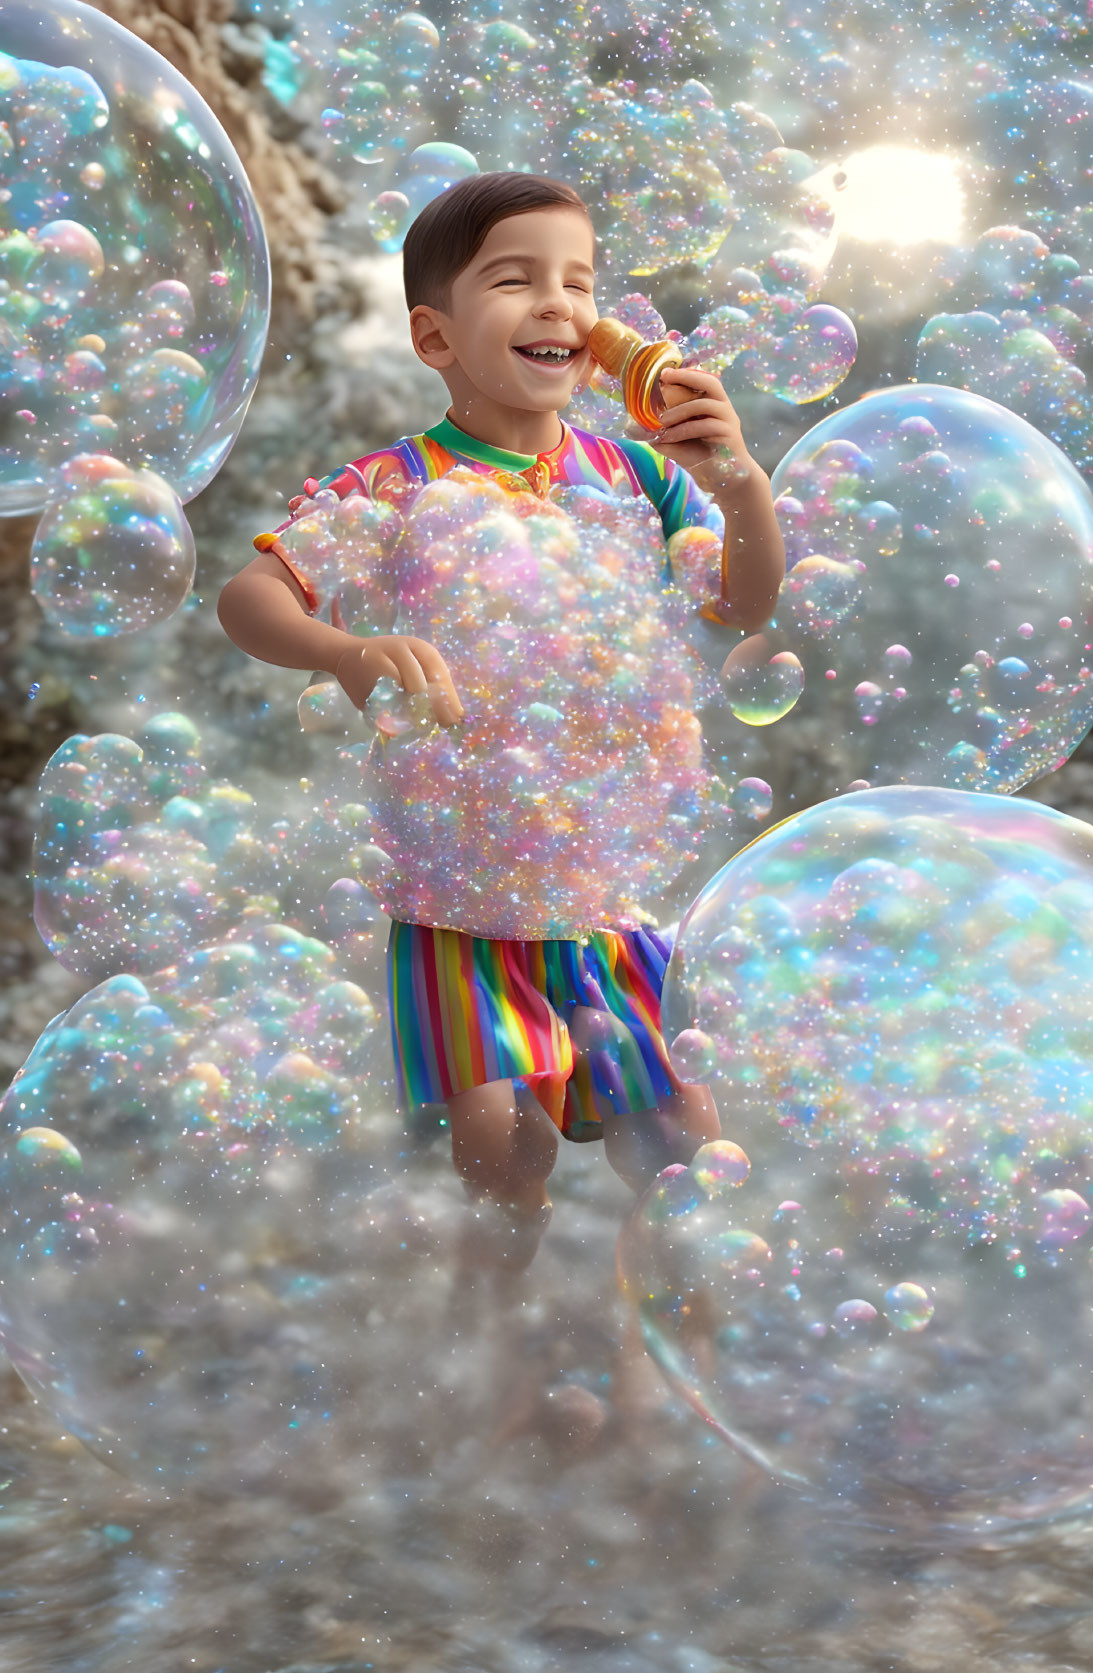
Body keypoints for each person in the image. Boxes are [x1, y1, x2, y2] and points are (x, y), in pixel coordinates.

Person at [218, 172, 784, 1269]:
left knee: (683, 1135)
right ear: (435, 334)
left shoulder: (639, 478)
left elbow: (743, 601)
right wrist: (346, 647)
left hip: (607, 880)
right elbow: (253, 597)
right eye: (515, 279)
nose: (558, 306)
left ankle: (670, 1340)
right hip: (460, 891)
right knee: (498, 1146)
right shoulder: (400, 480)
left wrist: (741, 480)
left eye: (579, 281)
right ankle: (500, 1331)